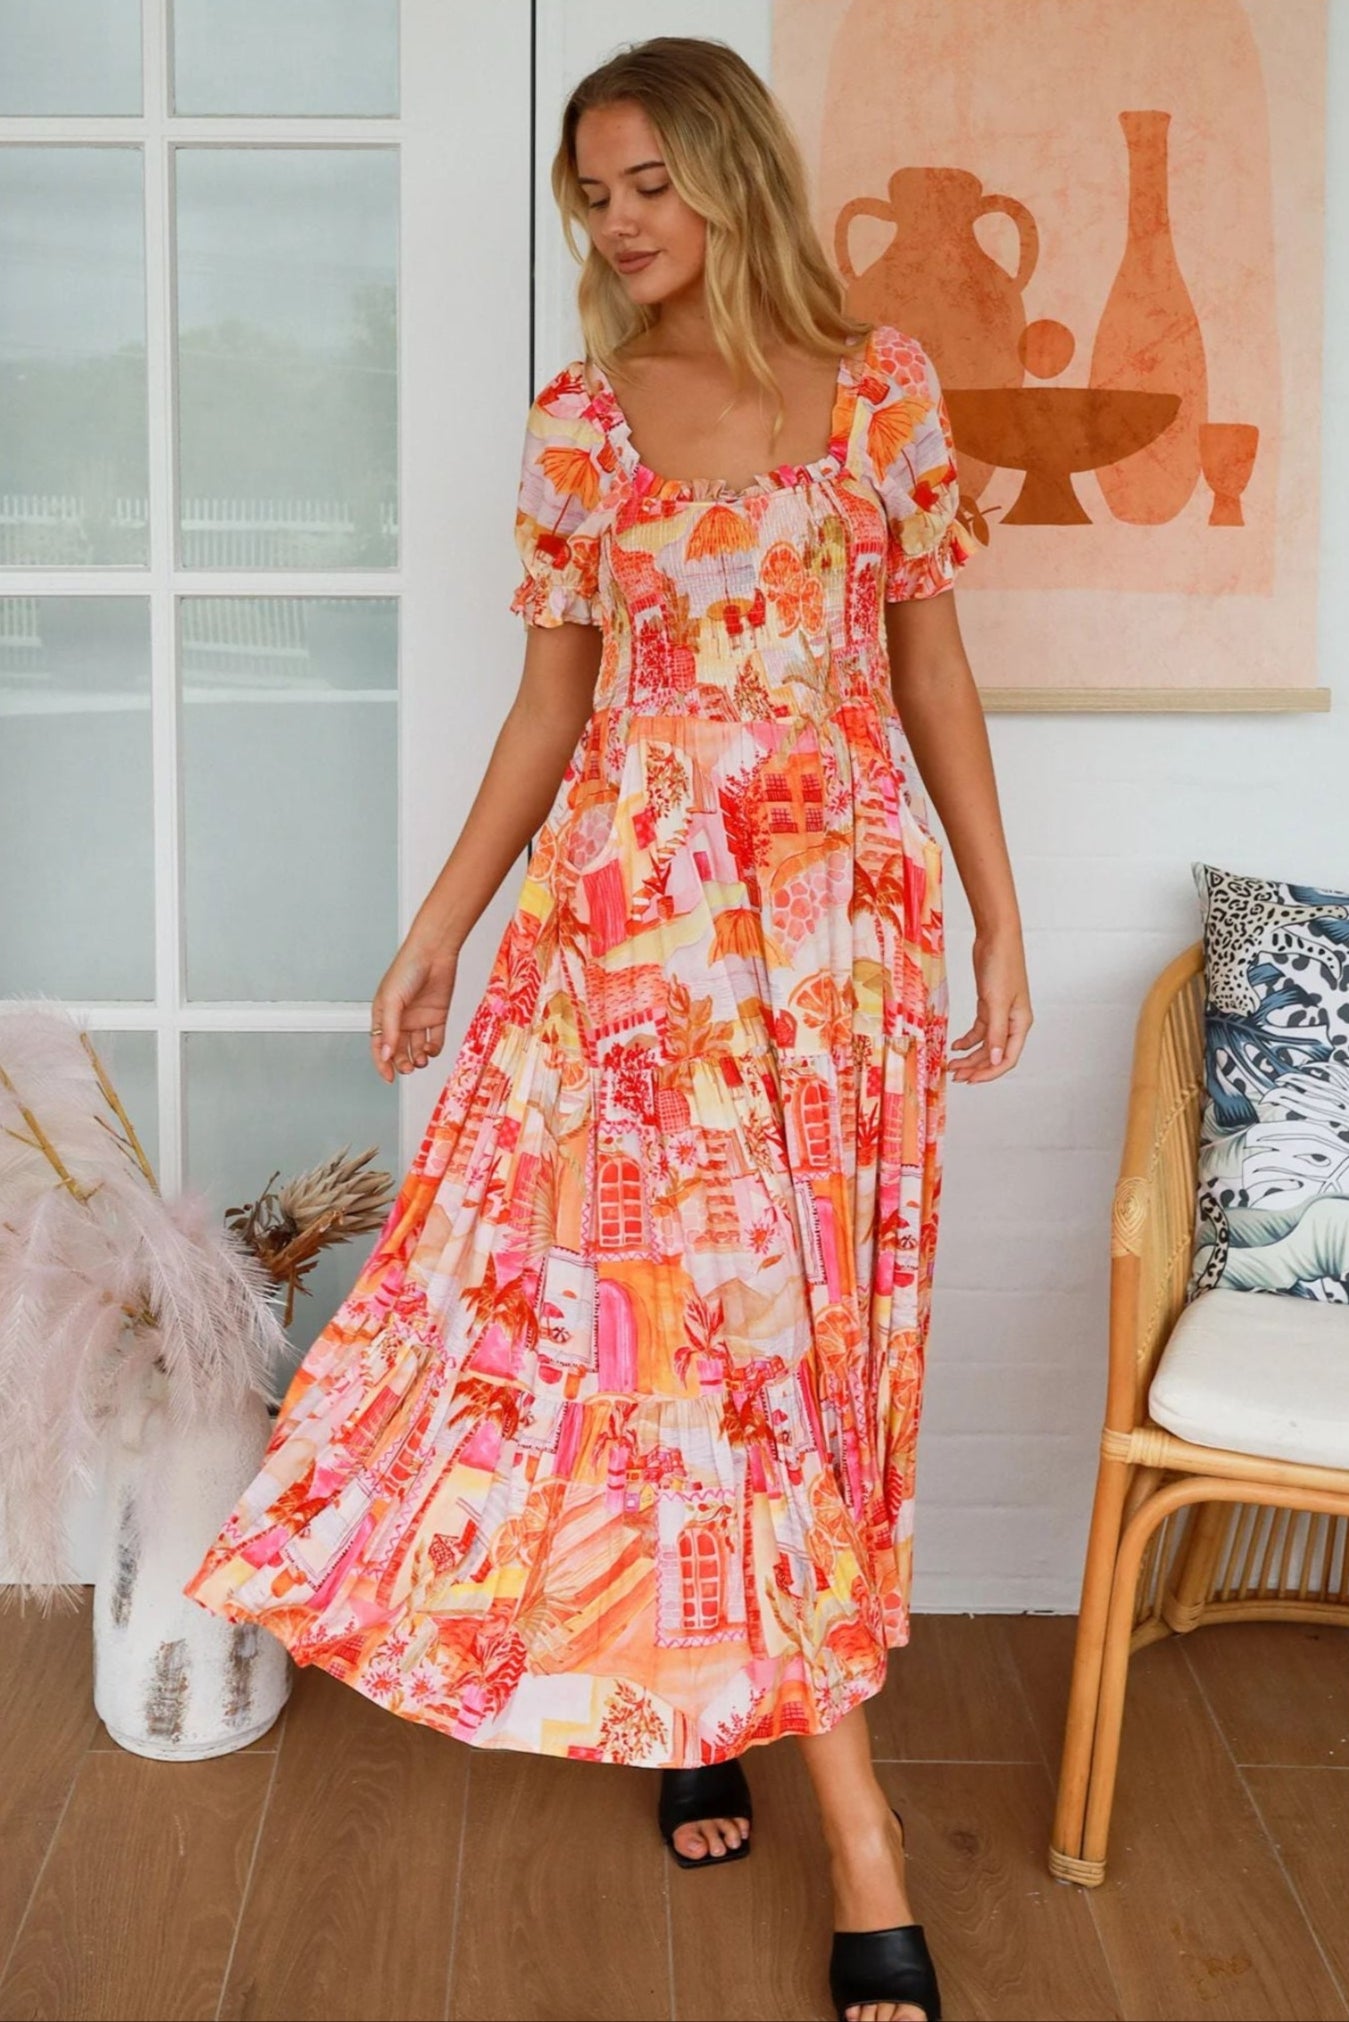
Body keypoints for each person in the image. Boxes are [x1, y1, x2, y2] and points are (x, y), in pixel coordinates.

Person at [183, 34, 1031, 2022]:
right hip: (635, 954)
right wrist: (436, 931)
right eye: (593, 191)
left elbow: (933, 670)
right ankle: (875, 1856)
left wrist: (999, 918)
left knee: (801, 1359)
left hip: (830, 952)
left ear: (736, 170)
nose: (620, 220)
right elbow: (553, 710)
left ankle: (709, 1693)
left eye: (650, 177)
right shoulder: (584, 424)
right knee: (688, 1341)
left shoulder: (883, 390)